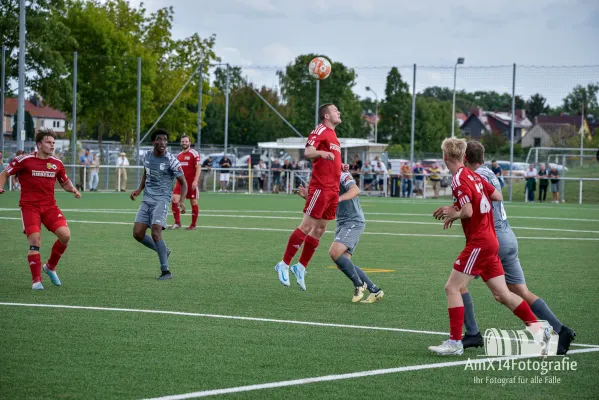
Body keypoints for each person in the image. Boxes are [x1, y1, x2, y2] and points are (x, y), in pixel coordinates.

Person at [459, 141, 576, 355]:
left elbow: (475, 205)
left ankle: (473, 333)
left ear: (465, 157)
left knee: (457, 286)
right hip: (509, 236)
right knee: (519, 291)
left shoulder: (474, 176)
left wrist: (455, 210)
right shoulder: (490, 173)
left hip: (491, 239)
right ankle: (560, 329)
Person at [429, 138, 540, 356]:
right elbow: (496, 196)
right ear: (463, 156)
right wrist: (459, 207)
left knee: (452, 288)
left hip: (479, 242)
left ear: (444, 157)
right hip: (491, 241)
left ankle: (454, 343)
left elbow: (468, 211)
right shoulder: (474, 176)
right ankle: (540, 332)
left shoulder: (459, 179)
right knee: (502, 295)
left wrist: (456, 212)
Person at [0, 129, 81, 290]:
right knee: (35, 240)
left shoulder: (57, 163)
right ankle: (36, 280)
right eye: (48, 142)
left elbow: (64, 182)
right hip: (30, 207)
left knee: (65, 235)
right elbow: (4, 173)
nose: (52, 146)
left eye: (53, 143)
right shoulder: (24, 160)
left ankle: (50, 267)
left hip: (50, 206)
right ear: (39, 144)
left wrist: (73, 189)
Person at [274, 103, 342, 291]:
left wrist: (340, 166)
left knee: (320, 229)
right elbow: (308, 151)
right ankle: (284, 264)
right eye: (336, 110)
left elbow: (330, 159)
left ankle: (301, 266)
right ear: (326, 116)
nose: (339, 112)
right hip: (321, 187)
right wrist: (322, 153)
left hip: (333, 190)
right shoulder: (320, 129)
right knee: (307, 226)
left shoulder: (334, 135)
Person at [297, 172, 384, 303]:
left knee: (334, 252)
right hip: (342, 223)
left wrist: (338, 198)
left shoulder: (342, 174)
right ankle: (375, 290)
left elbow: (355, 190)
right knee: (341, 263)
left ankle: (359, 285)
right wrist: (308, 197)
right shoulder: (324, 179)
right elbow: (323, 207)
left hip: (353, 221)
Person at [131, 129, 187, 280]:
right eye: (160, 139)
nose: (163, 143)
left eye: (165, 140)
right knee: (137, 234)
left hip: (162, 200)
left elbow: (183, 182)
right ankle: (163, 250)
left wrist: (181, 201)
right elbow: (146, 173)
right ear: (154, 142)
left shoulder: (171, 160)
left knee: (156, 232)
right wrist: (139, 190)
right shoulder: (147, 156)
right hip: (147, 200)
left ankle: (166, 271)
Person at [170, 135, 201, 231]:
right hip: (181, 182)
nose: (184, 143)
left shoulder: (194, 153)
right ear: (180, 143)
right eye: (183, 141)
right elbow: (178, 170)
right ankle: (177, 223)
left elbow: (198, 168)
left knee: (193, 202)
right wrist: (176, 182)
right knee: (174, 199)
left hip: (191, 182)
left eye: (186, 141)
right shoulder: (179, 155)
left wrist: (195, 181)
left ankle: (193, 225)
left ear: (189, 143)